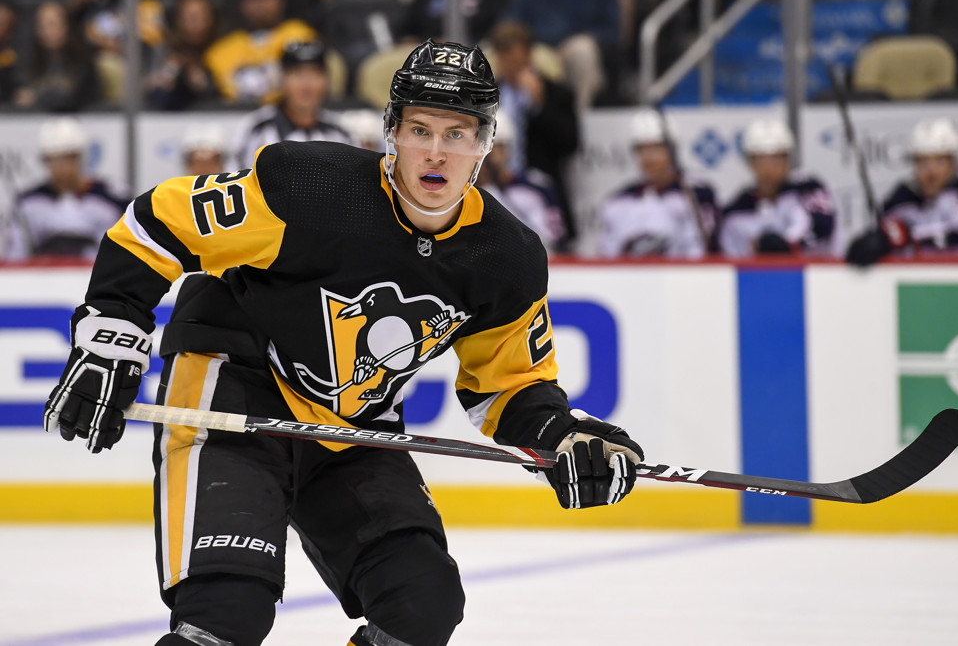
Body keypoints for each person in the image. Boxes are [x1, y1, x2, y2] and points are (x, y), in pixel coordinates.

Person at [41, 39, 644, 646]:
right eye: (420, 130)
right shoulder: (310, 189)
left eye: (458, 134)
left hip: (350, 427)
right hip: (232, 393)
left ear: (485, 142)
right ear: (391, 132)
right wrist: (111, 330)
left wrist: (563, 437)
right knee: (227, 614)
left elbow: (509, 386)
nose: (436, 153)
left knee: (423, 604)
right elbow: (158, 221)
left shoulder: (504, 256)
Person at [846, 117, 958, 266]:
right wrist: (878, 240)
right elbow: (887, 236)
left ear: (954, 163)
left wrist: (906, 235)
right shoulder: (903, 200)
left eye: (939, 162)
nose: (930, 173)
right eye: (922, 162)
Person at [489, 21, 580, 244]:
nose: (511, 67)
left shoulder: (556, 93)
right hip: (494, 188)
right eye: (505, 60)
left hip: (541, 193)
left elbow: (571, 143)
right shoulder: (487, 95)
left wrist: (539, 105)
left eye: (516, 60)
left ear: (530, 55)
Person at [4, 117, 129, 260]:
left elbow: (123, 254)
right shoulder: (28, 203)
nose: (61, 168)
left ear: (79, 158)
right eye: (54, 160)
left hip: (99, 277)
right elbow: (15, 257)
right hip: (41, 278)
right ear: (45, 161)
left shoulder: (112, 200)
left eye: (67, 159)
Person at [601, 109, 718, 258]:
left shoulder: (696, 195)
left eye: (657, 148)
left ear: (672, 150)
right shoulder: (617, 201)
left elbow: (703, 252)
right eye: (642, 150)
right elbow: (608, 256)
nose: (649, 158)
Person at [718, 118, 836, 257]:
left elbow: (822, 227)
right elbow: (729, 257)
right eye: (762, 159)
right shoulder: (737, 211)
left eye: (777, 158)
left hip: (818, 274)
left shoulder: (808, 189)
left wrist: (787, 244)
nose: (769, 168)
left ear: (788, 159)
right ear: (750, 162)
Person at [229, 40, 356, 168]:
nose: (307, 84)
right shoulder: (255, 129)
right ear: (281, 79)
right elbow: (236, 181)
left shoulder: (341, 133)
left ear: (327, 80)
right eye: (297, 74)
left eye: (315, 74)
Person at [507, 0, 619, 109]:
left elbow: (611, 31)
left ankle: (582, 118)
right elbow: (514, 19)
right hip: (539, 49)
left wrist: (579, 39)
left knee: (581, 51)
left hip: (575, 49)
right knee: (494, 51)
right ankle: (508, 120)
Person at [203, 0, 318, 105]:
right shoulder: (221, 50)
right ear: (241, 4)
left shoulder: (301, 35)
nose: (260, 4)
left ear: (281, 1)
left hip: (289, 115)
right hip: (234, 119)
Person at [477, 109, 566, 251]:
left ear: (506, 150)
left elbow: (552, 244)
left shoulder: (534, 189)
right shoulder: (459, 193)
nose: (488, 157)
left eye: (495, 148)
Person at [14, 0, 100, 111]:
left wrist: (37, 99)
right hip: (34, 123)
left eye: (52, 24)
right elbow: (18, 95)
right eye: (41, 25)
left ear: (67, 26)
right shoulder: (27, 63)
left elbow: (76, 100)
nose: (46, 31)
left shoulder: (85, 63)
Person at [145, 0, 220, 111]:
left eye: (199, 16)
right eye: (188, 16)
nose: (193, 23)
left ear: (212, 18)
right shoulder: (163, 53)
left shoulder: (226, 50)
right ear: (177, 19)